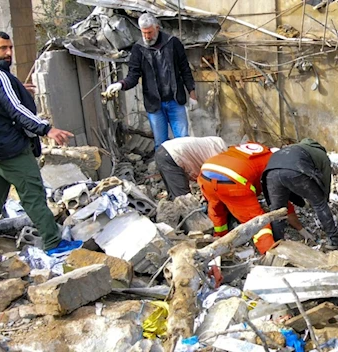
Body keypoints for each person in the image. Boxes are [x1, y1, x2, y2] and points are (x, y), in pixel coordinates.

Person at [0, 31, 79, 254]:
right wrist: (47, 129)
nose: (9, 53)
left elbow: (1, 103)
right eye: (3, 48)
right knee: (34, 198)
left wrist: (18, 89)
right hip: (12, 152)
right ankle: (54, 244)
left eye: (10, 48)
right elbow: (16, 110)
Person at [105, 13, 197, 148]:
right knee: (160, 144)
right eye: (144, 33)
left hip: (175, 101)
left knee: (183, 142)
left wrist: (192, 93)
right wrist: (120, 84)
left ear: (157, 28)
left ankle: (184, 169)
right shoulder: (138, 49)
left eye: (150, 32)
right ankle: (163, 169)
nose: (147, 37)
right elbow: (133, 76)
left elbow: (185, 70)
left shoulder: (172, 43)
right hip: (154, 104)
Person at [198, 142, 306, 254]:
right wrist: (300, 228)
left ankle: (220, 238)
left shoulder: (257, 150)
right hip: (233, 181)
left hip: (206, 172)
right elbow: (280, 200)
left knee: (217, 208)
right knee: (257, 221)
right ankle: (268, 253)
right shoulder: (275, 166)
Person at [262, 138, 338, 250]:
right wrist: (324, 198)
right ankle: (335, 240)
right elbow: (325, 179)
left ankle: (277, 246)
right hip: (296, 170)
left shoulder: (293, 148)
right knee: (319, 204)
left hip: (271, 172)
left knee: (277, 211)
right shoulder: (321, 154)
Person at [155, 136, 228, 199]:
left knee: (173, 191)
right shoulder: (219, 154)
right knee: (183, 198)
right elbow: (212, 181)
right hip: (172, 154)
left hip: (163, 150)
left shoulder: (215, 144)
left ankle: (171, 211)